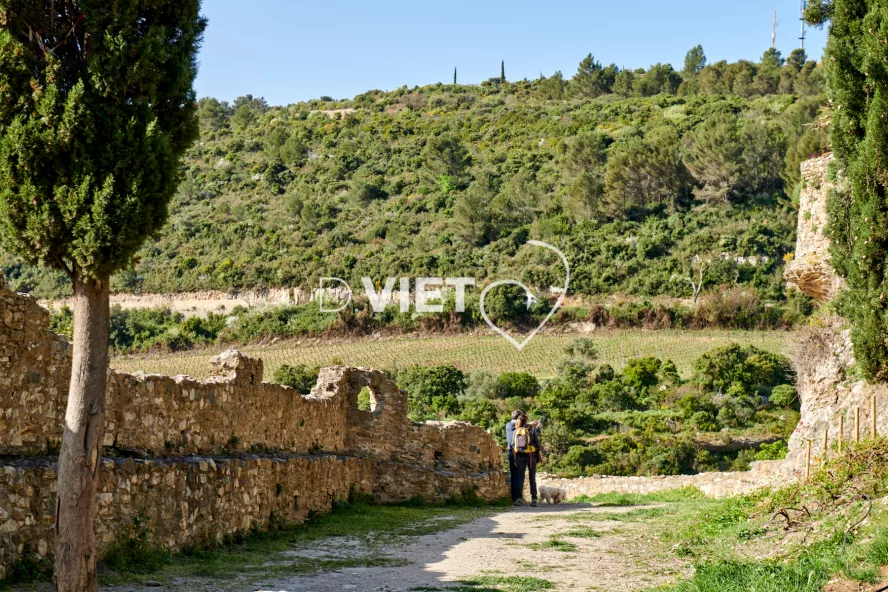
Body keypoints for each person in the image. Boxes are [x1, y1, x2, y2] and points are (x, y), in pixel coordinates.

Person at [511, 414, 542, 507]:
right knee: (532, 478)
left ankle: (518, 499)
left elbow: (512, 444)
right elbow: (537, 443)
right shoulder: (531, 430)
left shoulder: (516, 431)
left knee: (520, 478)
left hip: (520, 456)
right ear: (527, 420)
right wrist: (538, 453)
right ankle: (534, 499)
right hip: (531, 456)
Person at [505, 410, 522, 503]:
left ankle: (514, 497)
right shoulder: (521, 427)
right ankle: (518, 498)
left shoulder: (507, 425)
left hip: (511, 452)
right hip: (520, 453)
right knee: (519, 475)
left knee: (513, 475)